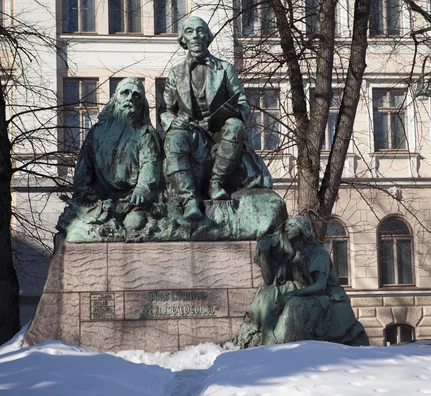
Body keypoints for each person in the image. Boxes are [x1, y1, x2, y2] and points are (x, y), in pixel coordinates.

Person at [160, 16, 271, 222]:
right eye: (190, 32)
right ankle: (189, 201)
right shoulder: (175, 73)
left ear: (208, 37)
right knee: (174, 138)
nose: (196, 37)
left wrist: (234, 112)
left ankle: (216, 182)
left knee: (235, 126)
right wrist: (172, 122)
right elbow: (165, 110)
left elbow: (244, 104)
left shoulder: (225, 69)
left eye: (201, 31)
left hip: (219, 132)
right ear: (183, 39)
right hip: (192, 133)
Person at [235, 216, 369, 347]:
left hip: (328, 298)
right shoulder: (290, 255)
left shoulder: (318, 253)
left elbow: (320, 286)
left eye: (292, 226)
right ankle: (266, 339)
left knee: (293, 305)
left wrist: (292, 294)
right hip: (305, 293)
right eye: (287, 226)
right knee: (268, 294)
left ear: (303, 229)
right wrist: (264, 254)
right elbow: (269, 281)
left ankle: (292, 345)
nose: (287, 229)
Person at [72, 77, 162, 215]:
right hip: (99, 199)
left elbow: (149, 164)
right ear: (115, 99)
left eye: (136, 95)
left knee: (135, 223)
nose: (130, 98)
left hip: (133, 199)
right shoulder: (96, 132)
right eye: (125, 93)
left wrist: (142, 189)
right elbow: (84, 168)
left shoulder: (145, 134)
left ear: (142, 104)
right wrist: (86, 194)